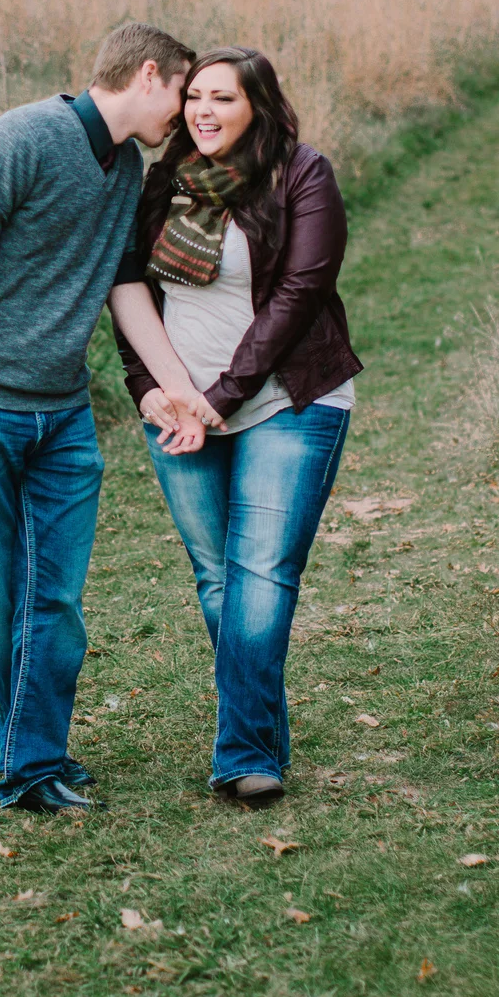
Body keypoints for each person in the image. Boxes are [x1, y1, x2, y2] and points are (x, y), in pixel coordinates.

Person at [0, 22, 220, 815]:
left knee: (54, 598)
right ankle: (32, 757)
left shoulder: (124, 168)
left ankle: (32, 758)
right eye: (182, 94)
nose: (184, 115)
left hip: (61, 413)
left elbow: (124, 289)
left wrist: (179, 384)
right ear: (148, 75)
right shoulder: (24, 136)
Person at [112, 47, 362, 808]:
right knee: (219, 578)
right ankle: (261, 732)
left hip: (287, 400)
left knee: (259, 574)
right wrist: (150, 387)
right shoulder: (166, 182)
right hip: (184, 408)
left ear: (258, 104)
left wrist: (223, 393)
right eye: (194, 96)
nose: (203, 110)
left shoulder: (302, 173)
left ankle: (242, 752)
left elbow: (300, 291)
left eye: (223, 97)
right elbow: (125, 287)